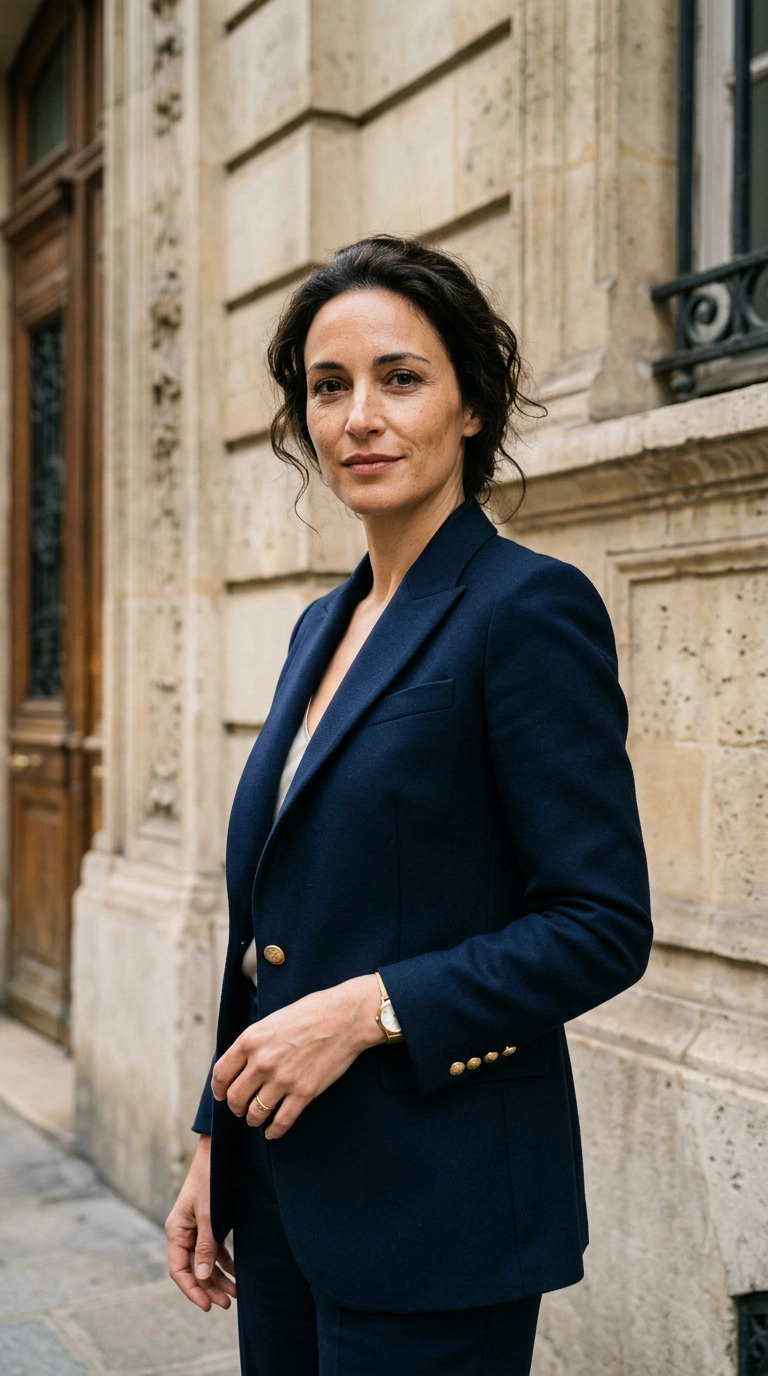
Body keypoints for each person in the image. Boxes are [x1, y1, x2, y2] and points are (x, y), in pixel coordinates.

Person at [165, 235, 652, 1376]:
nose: (360, 417)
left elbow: (599, 922)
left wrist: (367, 1009)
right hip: (284, 1192)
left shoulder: (527, 609)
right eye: (328, 387)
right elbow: (269, 933)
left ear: (471, 405)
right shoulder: (315, 629)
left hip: (441, 1205)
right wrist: (212, 1142)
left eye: (401, 377)